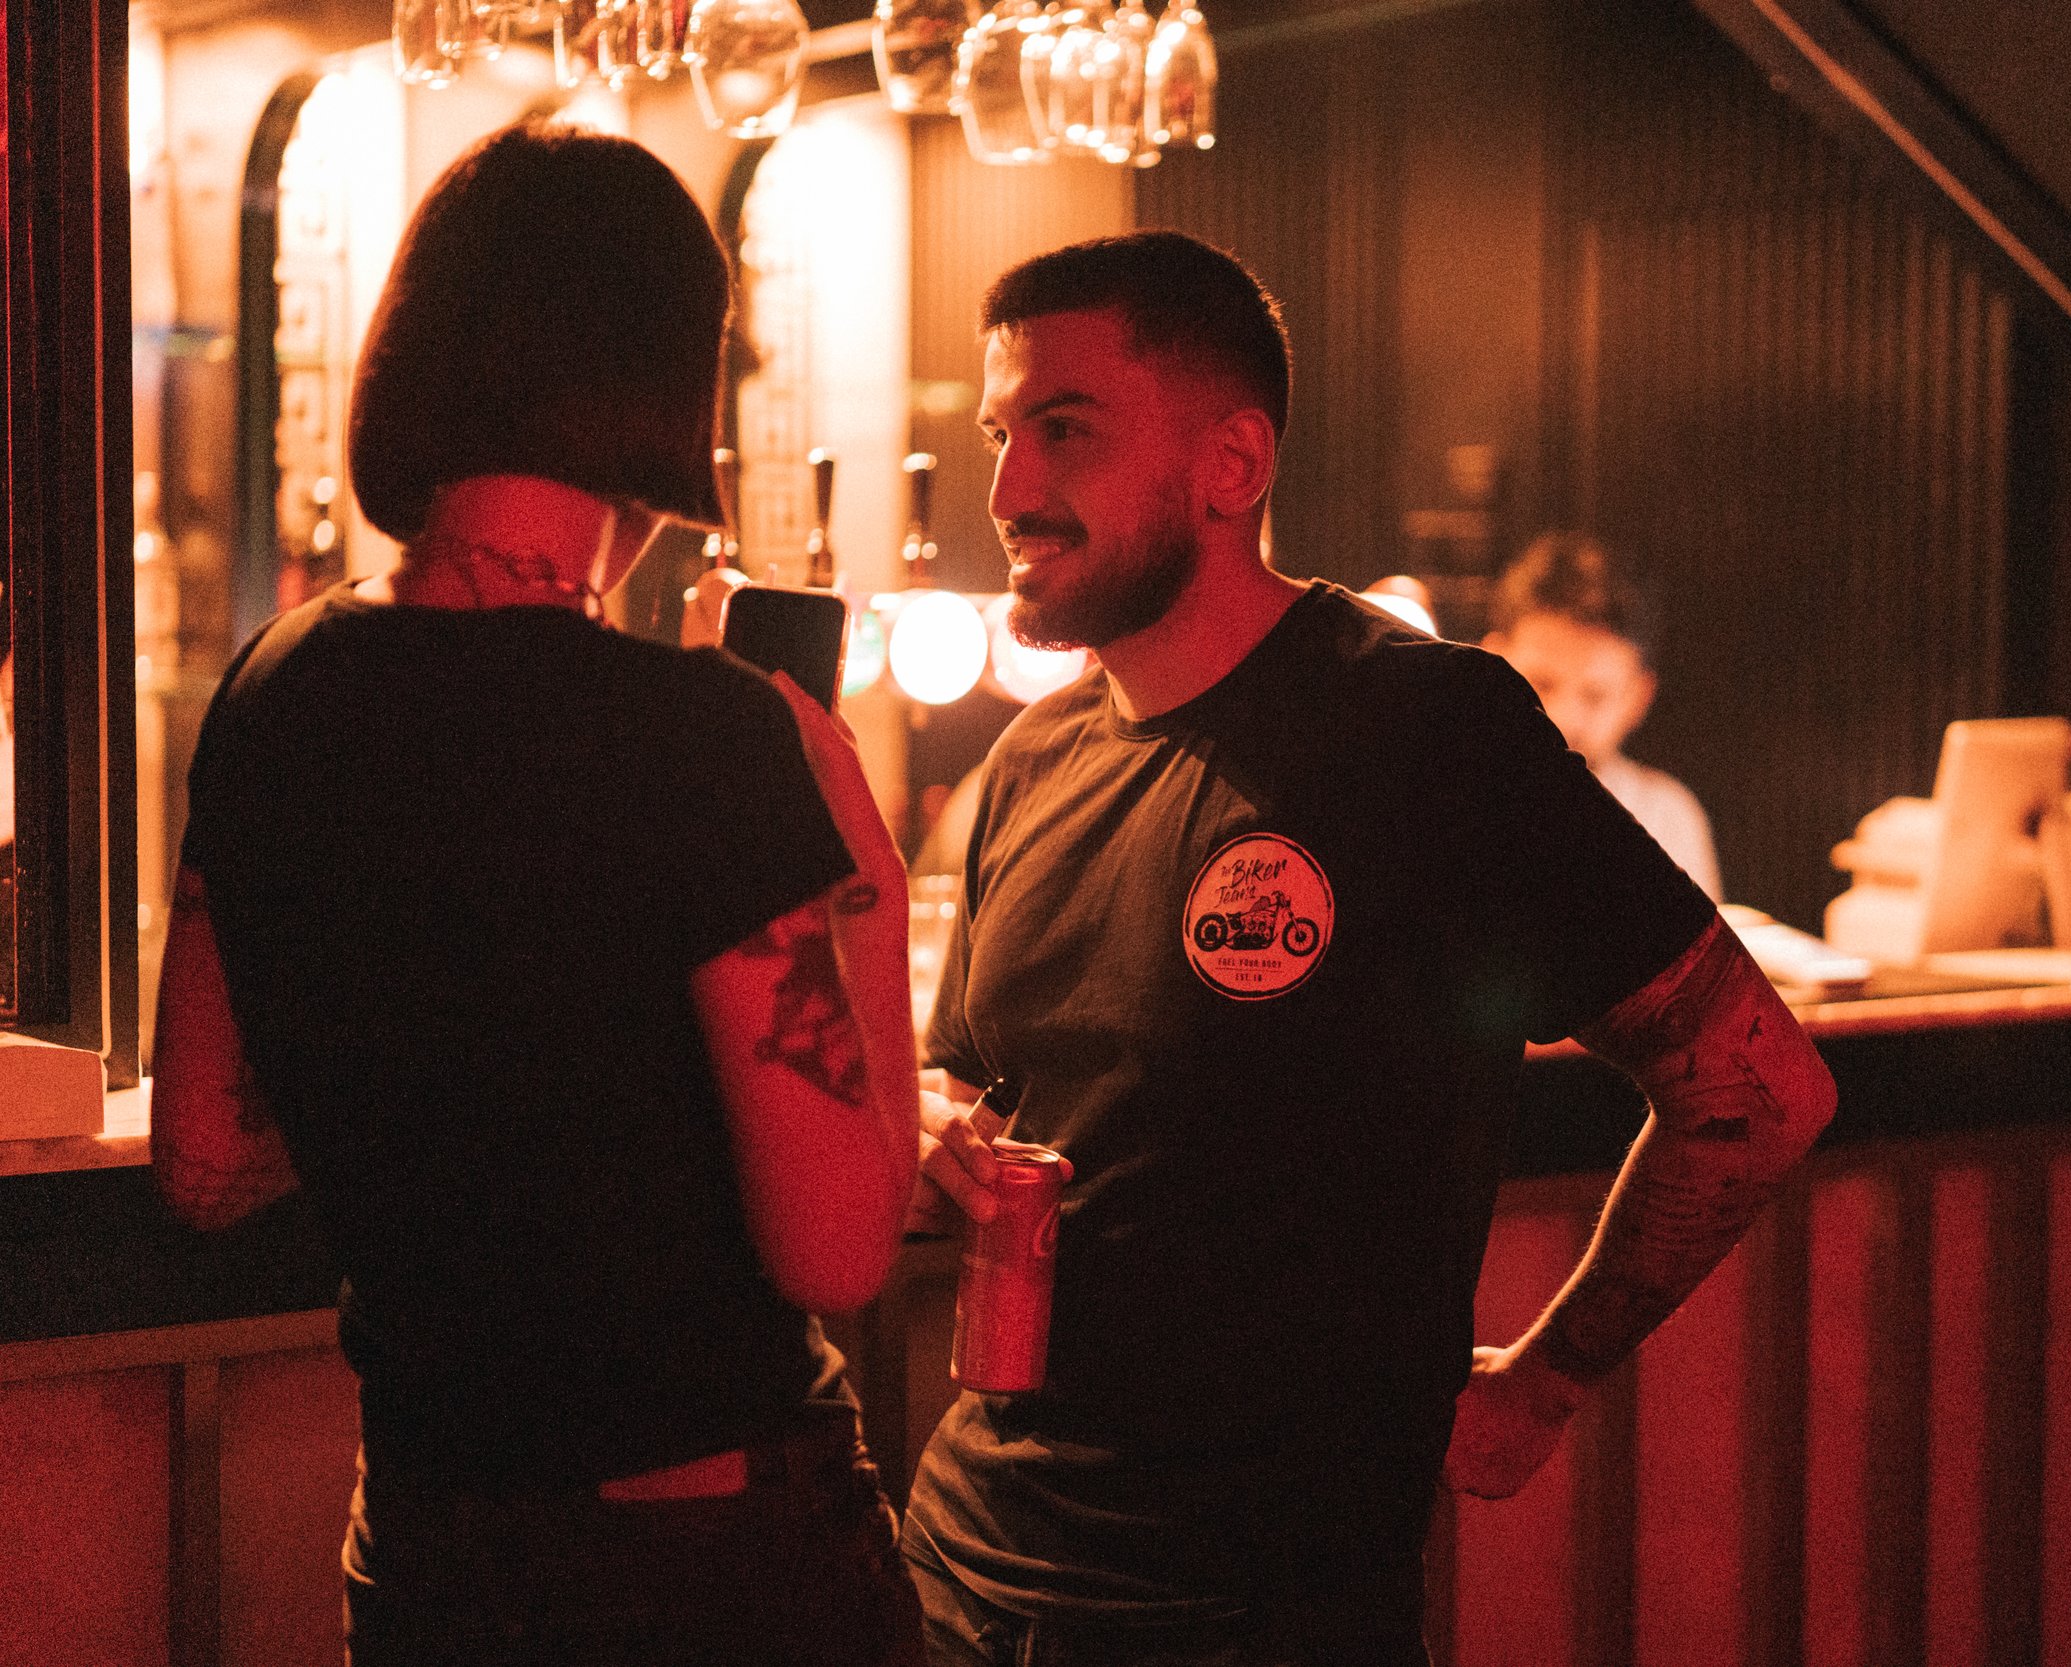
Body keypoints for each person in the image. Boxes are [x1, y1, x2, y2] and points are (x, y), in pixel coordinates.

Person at [903, 230, 1836, 1666]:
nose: (1008, 489)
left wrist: (1548, 1375)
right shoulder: (1030, 762)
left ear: (1232, 462)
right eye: (999, 434)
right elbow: (973, 1092)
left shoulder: (1426, 732)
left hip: (1243, 1617)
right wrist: (926, 1134)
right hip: (955, 1567)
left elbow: (1757, 1088)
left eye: (1065, 429)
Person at [150, 122, 924, 1667]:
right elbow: (839, 1249)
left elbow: (207, 1157)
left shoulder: (272, 692)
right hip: (709, 1554)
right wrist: (872, 891)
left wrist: (455, 1081)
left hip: (429, 1541)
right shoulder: (704, 735)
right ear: (667, 394)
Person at [1482, 532, 1722, 900]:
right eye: (1540, 683)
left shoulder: (1667, 818)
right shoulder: (1442, 795)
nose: (1562, 717)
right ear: (1489, 664)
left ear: (1638, 698)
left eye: (1595, 696)